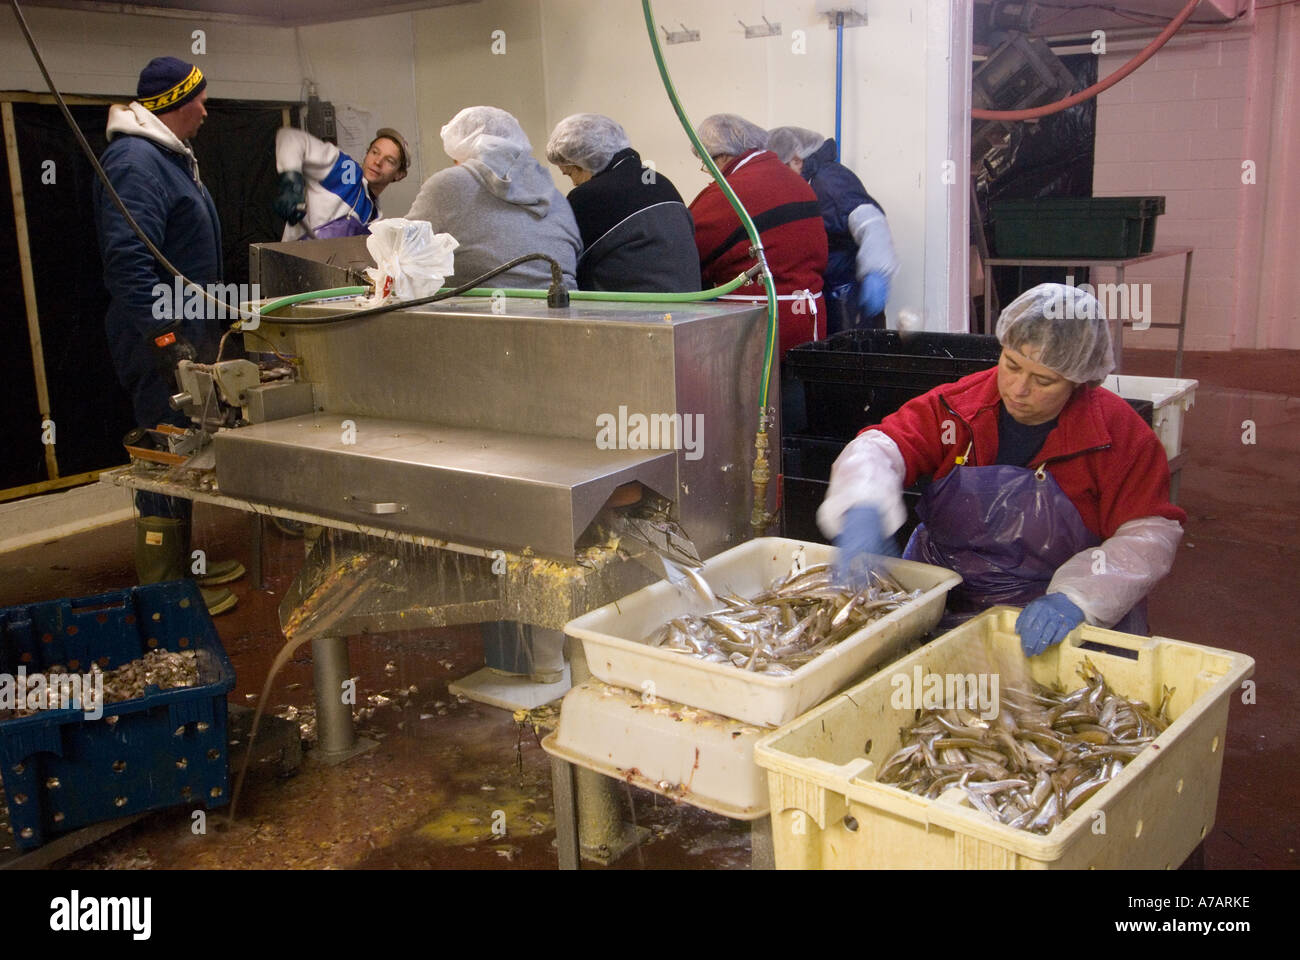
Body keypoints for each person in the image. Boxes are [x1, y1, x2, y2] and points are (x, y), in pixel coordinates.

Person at [818, 284, 1186, 655]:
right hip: (947, 595)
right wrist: (862, 505)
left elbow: (1147, 535)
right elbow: (883, 446)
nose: (1018, 389)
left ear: (1080, 380)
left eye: (1043, 380)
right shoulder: (959, 406)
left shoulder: (1120, 436)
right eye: (1010, 365)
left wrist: (1078, 598)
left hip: (1055, 613)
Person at [93, 56, 243, 615]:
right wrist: (164, 338)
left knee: (188, 447)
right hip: (159, 335)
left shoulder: (167, 158)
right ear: (173, 105)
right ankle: (166, 593)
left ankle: (186, 569)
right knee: (164, 451)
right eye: (197, 99)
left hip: (186, 327)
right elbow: (128, 260)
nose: (205, 109)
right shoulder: (135, 161)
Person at [688, 114, 828, 359]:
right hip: (808, 321)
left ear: (721, 156)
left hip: (759, 330)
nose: (708, 172)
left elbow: (689, 258)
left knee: (757, 398)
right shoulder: (797, 182)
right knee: (797, 395)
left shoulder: (725, 195)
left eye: (706, 163)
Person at [405, 106, 580, 289]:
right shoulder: (553, 193)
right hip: (564, 311)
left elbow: (400, 252)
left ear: (462, 150)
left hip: (486, 313)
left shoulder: (449, 183)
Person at [545, 113, 699, 292]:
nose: (574, 183)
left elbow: (560, 267)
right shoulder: (660, 183)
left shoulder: (588, 197)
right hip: (685, 307)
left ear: (584, 162)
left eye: (570, 173)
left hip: (632, 315)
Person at [767, 126, 899, 334]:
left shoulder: (829, 181)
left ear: (796, 160)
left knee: (853, 359)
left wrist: (877, 274)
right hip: (832, 292)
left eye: (781, 169)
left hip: (848, 294)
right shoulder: (809, 182)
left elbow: (871, 222)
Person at [274, 126, 410, 240]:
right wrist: (291, 181)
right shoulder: (345, 169)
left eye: (389, 161)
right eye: (375, 152)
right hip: (291, 263)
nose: (378, 162)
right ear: (367, 154)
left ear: (399, 175)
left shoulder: (374, 217)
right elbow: (290, 138)